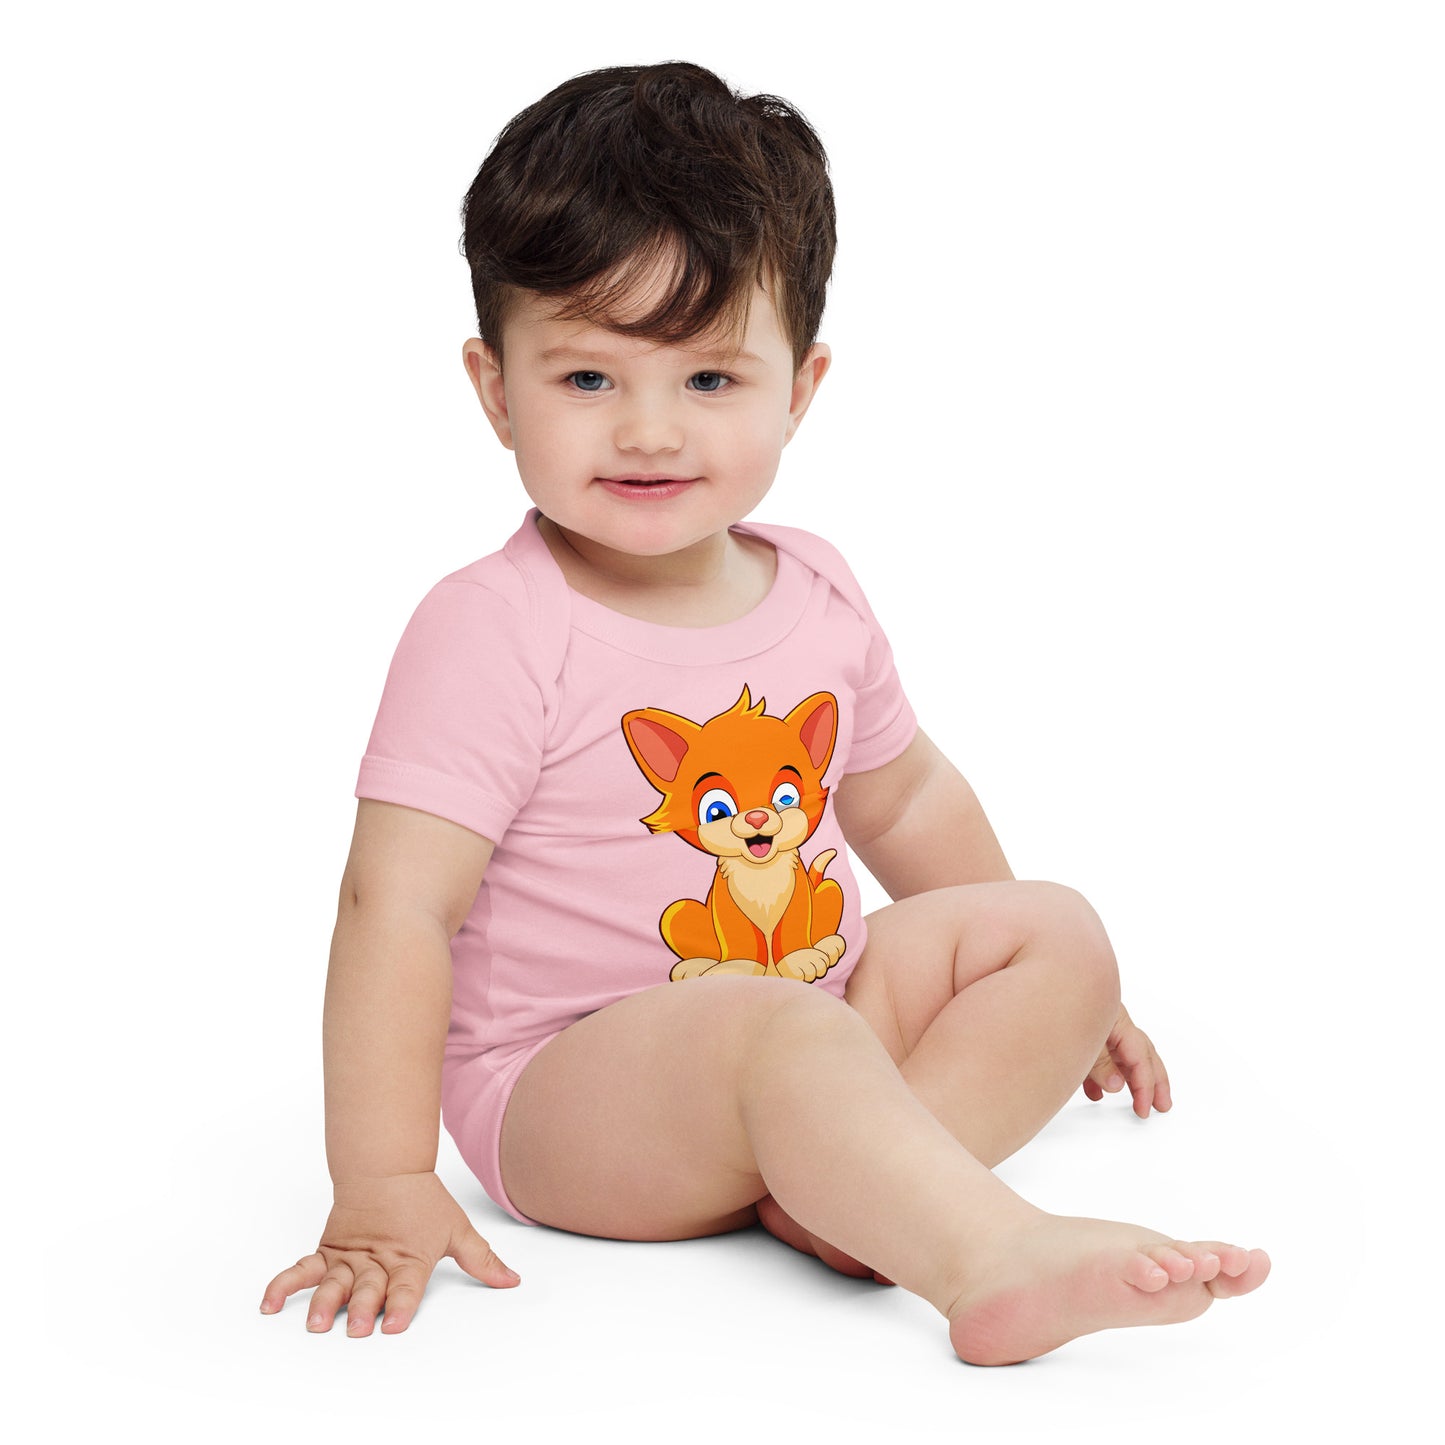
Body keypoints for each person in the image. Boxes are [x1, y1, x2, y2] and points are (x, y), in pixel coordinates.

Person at [259, 61, 1269, 1366]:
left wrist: (1070, 1003)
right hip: (570, 1093)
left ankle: (852, 1201)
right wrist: (384, 1179)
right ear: (495, 387)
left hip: (807, 1015)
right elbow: (393, 907)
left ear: (800, 388)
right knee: (772, 1022)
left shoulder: (818, 590)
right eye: (587, 379)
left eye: (709, 381)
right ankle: (986, 1257)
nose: (648, 431)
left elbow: (906, 797)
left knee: (1056, 930)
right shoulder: (494, 626)